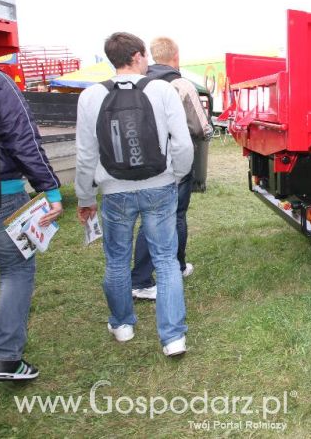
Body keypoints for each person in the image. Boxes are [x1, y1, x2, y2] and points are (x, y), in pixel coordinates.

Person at [75, 32, 193, 356]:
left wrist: (85, 198)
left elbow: (85, 155)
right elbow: (182, 144)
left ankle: (122, 324)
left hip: (114, 190)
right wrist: (177, 174)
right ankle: (173, 338)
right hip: (160, 185)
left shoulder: (90, 97)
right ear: (139, 56)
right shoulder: (162, 91)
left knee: (116, 259)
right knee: (166, 261)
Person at [131, 37, 212, 301]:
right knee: (176, 215)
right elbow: (201, 127)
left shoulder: (139, 82)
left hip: (142, 163)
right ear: (176, 56)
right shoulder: (180, 84)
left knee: (149, 219)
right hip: (174, 164)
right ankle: (173, 267)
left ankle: (141, 277)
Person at [0, 69, 63, 381]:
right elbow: (22, 138)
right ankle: (7, 358)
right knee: (17, 269)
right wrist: (49, 189)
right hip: (2, 194)